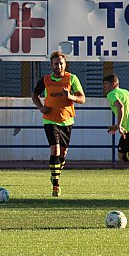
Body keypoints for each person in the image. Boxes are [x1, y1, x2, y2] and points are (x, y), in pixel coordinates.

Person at [31, 51, 86, 197]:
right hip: (50, 119)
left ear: (65, 64)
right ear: (51, 65)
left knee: (63, 154)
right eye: (56, 64)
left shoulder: (72, 79)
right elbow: (34, 95)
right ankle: (56, 184)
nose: (59, 66)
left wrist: (71, 96)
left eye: (61, 63)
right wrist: (41, 107)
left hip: (67, 120)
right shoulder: (45, 79)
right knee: (54, 150)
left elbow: (82, 98)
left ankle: (55, 174)